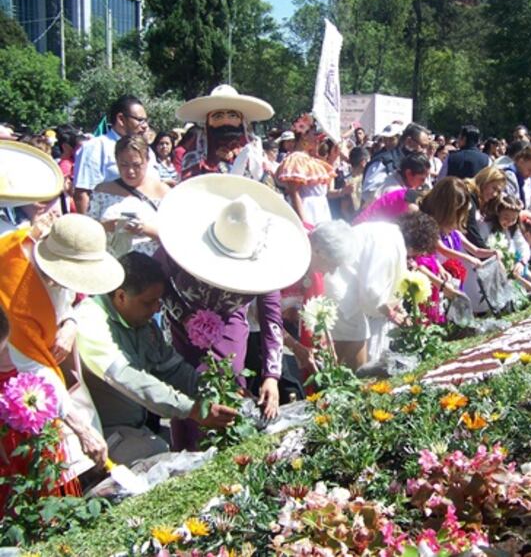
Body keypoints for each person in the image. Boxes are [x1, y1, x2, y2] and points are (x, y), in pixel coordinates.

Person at [154, 174, 311, 451]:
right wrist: (185, 316)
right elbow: (158, 284)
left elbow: (271, 318)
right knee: (187, 400)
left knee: (228, 397)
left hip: (231, 333)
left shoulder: (265, 259)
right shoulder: (181, 243)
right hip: (183, 333)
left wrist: (271, 376)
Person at [74, 252, 237, 465]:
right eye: (148, 302)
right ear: (121, 296)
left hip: (135, 426)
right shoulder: (91, 319)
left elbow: (173, 368)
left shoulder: (143, 324)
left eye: (158, 301)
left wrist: (216, 390)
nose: (156, 309)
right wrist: (193, 409)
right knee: (158, 457)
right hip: (98, 433)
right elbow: (129, 378)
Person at [0, 214, 124, 482]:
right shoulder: (15, 287)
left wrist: (69, 323)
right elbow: (33, 370)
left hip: (37, 362)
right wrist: (82, 429)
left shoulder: (46, 253)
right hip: (13, 375)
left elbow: (64, 303)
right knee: (30, 459)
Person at [308, 218, 411, 370]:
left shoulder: (384, 233)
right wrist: (390, 313)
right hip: (340, 295)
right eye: (332, 266)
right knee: (349, 347)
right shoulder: (388, 239)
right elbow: (371, 290)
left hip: (343, 291)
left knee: (354, 340)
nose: (331, 271)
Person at [88, 136, 170, 258]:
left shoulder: (164, 192)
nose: (130, 171)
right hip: (110, 264)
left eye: (136, 165)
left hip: (152, 267)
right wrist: (106, 226)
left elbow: (174, 236)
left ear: (147, 160)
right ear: (116, 161)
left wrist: (144, 228)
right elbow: (87, 231)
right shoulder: (102, 191)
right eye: (124, 165)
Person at [176, 85, 274, 180]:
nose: (226, 121)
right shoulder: (196, 151)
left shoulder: (254, 150)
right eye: (218, 116)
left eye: (232, 116)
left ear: (241, 120)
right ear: (208, 122)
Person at [74, 95, 150, 214]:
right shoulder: (95, 147)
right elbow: (82, 194)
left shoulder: (147, 150)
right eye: (140, 120)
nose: (145, 126)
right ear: (121, 119)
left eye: (146, 120)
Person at [361, 123, 430, 207]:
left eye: (427, 147)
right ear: (408, 141)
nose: (424, 151)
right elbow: (369, 195)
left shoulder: (421, 165)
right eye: (422, 146)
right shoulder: (384, 162)